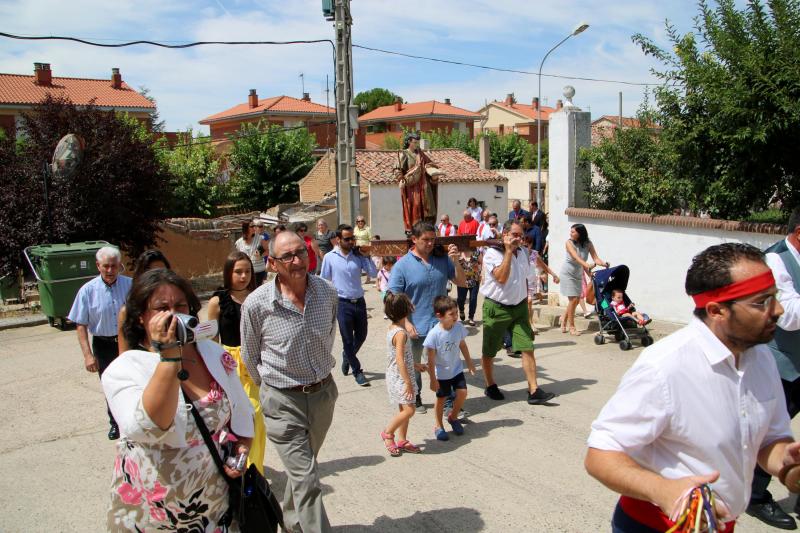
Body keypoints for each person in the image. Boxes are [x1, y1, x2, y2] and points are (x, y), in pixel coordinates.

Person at [585, 242, 800, 532]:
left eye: (774, 297)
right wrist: (663, 490)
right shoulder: (665, 366)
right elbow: (600, 455)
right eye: (761, 302)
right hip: (654, 526)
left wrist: (787, 463)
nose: (778, 310)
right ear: (716, 310)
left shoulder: (762, 357)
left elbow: (768, 440)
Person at [102, 269, 254, 531]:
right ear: (141, 317)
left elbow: (241, 411)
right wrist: (170, 358)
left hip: (212, 506)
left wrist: (241, 450)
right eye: (162, 307)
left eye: (180, 305)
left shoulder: (212, 353)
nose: (173, 314)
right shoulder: (126, 368)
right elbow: (146, 427)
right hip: (152, 512)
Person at [240, 230, 338, 533]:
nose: (297, 261)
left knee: (302, 473)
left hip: (322, 395)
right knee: (307, 480)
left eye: (301, 253)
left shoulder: (327, 292)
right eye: (287, 256)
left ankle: (293, 524)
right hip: (282, 401)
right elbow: (249, 356)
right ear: (272, 264)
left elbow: (329, 337)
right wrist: (271, 391)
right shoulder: (256, 305)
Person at [747, 208, 800, 529]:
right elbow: (789, 315)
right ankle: (755, 498)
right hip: (784, 365)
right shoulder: (775, 261)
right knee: (771, 434)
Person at [388, 221, 466, 413]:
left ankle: (448, 400)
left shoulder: (441, 259)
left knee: (445, 363)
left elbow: (462, 282)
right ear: (414, 239)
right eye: (425, 240)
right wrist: (405, 321)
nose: (430, 243)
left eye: (433, 239)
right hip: (416, 326)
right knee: (415, 364)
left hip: (440, 325)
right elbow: (393, 297)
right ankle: (416, 395)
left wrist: (455, 260)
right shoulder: (402, 265)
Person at [480, 221, 556, 405]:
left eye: (521, 236)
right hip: (497, 307)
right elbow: (501, 278)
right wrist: (507, 251)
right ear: (505, 234)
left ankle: (534, 389)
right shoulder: (492, 253)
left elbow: (524, 278)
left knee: (527, 347)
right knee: (490, 349)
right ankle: (490, 385)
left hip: (519, 307)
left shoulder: (523, 252)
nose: (519, 239)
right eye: (515, 234)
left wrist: (528, 296)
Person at [207, 251, 266, 474]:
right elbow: (211, 341)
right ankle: (233, 463)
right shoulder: (217, 302)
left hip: (253, 361)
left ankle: (254, 469)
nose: (243, 276)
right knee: (233, 418)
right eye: (238, 272)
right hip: (228, 364)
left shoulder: (258, 296)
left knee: (256, 414)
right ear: (228, 273)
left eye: (247, 271)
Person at [68, 245, 133, 440]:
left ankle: (132, 423)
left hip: (128, 342)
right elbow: (80, 324)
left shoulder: (131, 285)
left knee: (132, 382)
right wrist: (88, 355)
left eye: (114, 266)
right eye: (106, 266)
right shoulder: (87, 291)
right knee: (111, 385)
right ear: (98, 266)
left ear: (119, 265)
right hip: (103, 345)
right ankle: (115, 423)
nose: (110, 271)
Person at [320, 224, 378, 387]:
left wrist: (366, 257)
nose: (352, 241)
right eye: (347, 239)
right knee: (347, 338)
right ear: (338, 240)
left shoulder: (358, 256)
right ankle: (357, 371)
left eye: (353, 238)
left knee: (361, 335)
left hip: (359, 301)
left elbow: (373, 274)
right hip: (342, 303)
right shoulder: (329, 257)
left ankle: (347, 356)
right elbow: (324, 281)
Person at [424, 296, 476, 441]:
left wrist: (470, 363)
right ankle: (438, 426)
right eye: (451, 314)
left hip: (456, 369)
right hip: (441, 373)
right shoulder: (434, 335)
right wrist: (433, 380)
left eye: (456, 313)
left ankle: (453, 417)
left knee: (463, 393)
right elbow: (431, 359)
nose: (455, 316)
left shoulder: (458, 327)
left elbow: (463, 345)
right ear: (439, 316)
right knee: (441, 399)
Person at [381, 292, 424, 457]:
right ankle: (388, 433)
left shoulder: (393, 328)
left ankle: (402, 440)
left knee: (403, 408)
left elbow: (400, 357)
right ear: (406, 311)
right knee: (409, 410)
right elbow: (399, 359)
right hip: (400, 377)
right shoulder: (400, 333)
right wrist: (407, 382)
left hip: (398, 374)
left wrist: (415, 365)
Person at [117, 250, 171, 354]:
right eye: (151, 273)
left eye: (162, 272)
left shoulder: (177, 307)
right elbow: (123, 355)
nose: (158, 278)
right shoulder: (127, 312)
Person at [559, 224, 608, 336]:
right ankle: (572, 327)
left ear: (580, 233)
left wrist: (604, 264)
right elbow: (576, 258)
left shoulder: (588, 244)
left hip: (578, 274)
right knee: (574, 300)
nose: (570, 234)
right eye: (570, 231)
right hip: (568, 273)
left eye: (573, 232)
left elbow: (596, 258)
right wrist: (587, 265)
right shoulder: (569, 243)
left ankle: (564, 320)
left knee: (575, 301)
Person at [395, 131, 443, 232]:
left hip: (424, 185)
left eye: (417, 142)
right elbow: (397, 169)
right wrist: (400, 179)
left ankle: (427, 227)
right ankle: (415, 228)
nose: (416, 144)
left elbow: (430, 163)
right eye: (414, 142)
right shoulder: (404, 154)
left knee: (428, 206)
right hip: (412, 186)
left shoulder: (420, 153)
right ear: (409, 142)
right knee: (415, 206)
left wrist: (432, 171)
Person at [523, 235, 559, 333]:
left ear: (531, 245)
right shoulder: (519, 253)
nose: (525, 247)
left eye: (527, 245)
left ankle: (530, 323)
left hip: (531, 282)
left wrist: (553, 275)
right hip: (520, 282)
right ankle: (525, 323)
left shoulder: (534, 255)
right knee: (525, 304)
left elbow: (544, 266)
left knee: (529, 302)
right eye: (523, 245)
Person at [234, 220, 267, 286]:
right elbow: (238, 257)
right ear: (246, 228)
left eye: (255, 226)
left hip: (259, 271)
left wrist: (260, 255)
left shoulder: (260, 238)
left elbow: (268, 251)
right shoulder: (239, 242)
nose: (254, 228)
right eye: (252, 226)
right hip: (246, 272)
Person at [456, 250, 481, 327]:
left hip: (474, 280)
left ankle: (471, 317)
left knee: (473, 299)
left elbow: (482, 264)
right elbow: (453, 266)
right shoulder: (458, 253)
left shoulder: (476, 253)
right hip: (462, 281)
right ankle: (461, 310)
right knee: (461, 299)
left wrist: (480, 273)